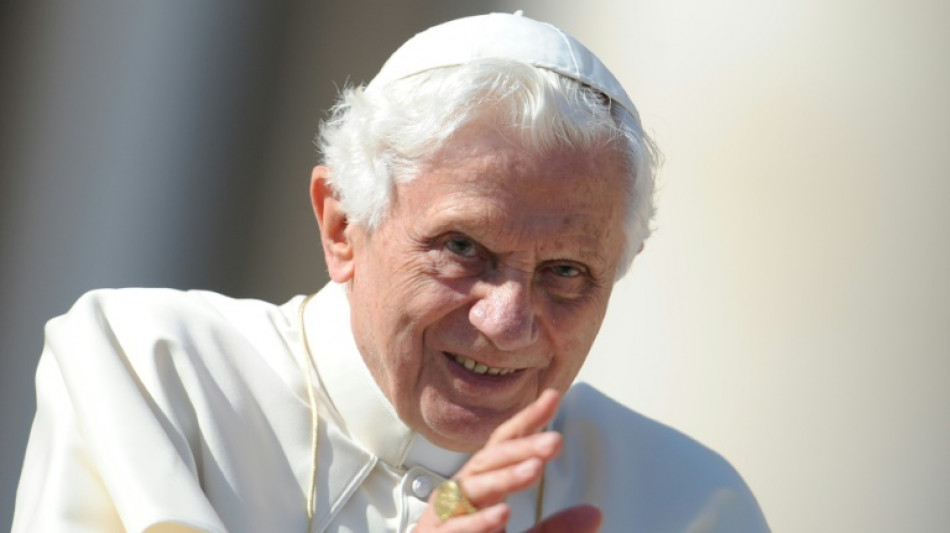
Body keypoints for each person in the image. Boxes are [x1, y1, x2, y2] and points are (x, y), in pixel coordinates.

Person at [12, 12, 768, 533]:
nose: (507, 322)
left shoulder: (688, 502)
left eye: (566, 270)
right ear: (342, 226)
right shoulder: (156, 370)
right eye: (463, 248)